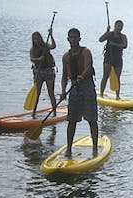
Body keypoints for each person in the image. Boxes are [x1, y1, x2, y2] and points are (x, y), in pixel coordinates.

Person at [60, 28, 98, 157]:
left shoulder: (86, 52)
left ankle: (94, 148)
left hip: (86, 87)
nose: (73, 40)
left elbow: (88, 67)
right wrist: (63, 91)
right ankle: (69, 148)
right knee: (71, 120)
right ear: (68, 39)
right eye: (71, 37)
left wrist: (81, 76)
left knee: (92, 119)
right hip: (74, 89)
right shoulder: (66, 56)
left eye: (76, 37)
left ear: (79, 39)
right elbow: (64, 76)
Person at [29, 29, 57, 118]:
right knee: (37, 93)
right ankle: (33, 112)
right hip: (38, 72)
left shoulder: (46, 46)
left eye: (37, 38)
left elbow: (54, 46)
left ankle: (54, 112)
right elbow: (32, 59)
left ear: (40, 39)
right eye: (34, 39)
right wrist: (39, 59)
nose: (36, 40)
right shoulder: (32, 49)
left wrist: (51, 35)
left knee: (51, 93)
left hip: (48, 71)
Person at [98, 20, 128, 100]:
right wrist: (106, 31)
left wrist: (114, 44)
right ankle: (101, 94)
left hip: (118, 59)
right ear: (115, 26)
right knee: (105, 76)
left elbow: (125, 45)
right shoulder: (109, 34)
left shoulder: (123, 36)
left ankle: (117, 96)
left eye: (121, 27)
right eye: (118, 26)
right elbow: (100, 40)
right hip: (108, 57)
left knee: (117, 77)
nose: (119, 28)